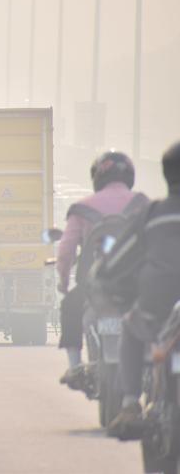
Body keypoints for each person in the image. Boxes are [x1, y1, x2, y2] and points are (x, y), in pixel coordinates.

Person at [104, 141, 180, 439]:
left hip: (155, 307)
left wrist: (105, 280)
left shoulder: (152, 214)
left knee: (130, 329)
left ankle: (130, 402)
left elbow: (117, 262)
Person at [56, 150, 149, 388]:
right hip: (135, 286)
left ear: (97, 177)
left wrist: (64, 283)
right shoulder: (143, 204)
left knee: (70, 306)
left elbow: (65, 252)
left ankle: (75, 366)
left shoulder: (82, 208)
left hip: (93, 287)